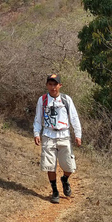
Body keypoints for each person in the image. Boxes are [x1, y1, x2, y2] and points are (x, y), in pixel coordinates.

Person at [33, 73, 82, 204]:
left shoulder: (66, 100)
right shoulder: (42, 100)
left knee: (69, 167)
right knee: (50, 166)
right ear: (46, 85)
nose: (53, 87)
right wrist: (36, 133)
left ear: (60, 85)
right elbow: (38, 119)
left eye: (55, 84)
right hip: (48, 135)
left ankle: (65, 179)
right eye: (50, 84)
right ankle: (55, 191)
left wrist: (78, 135)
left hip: (64, 135)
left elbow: (74, 118)